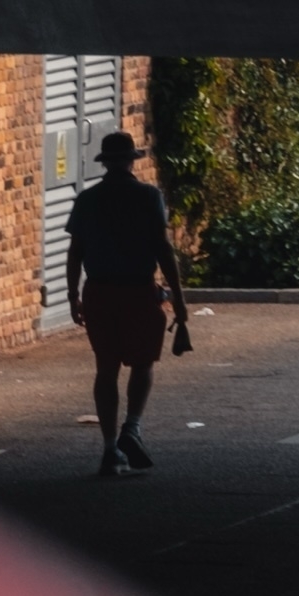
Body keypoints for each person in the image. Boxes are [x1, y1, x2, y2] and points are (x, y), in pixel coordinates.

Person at [65, 130, 188, 476]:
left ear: (105, 163)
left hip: (100, 292)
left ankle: (108, 448)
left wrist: (73, 295)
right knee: (143, 362)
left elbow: (76, 252)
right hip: (139, 291)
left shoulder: (87, 200)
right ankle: (131, 428)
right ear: (132, 161)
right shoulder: (148, 197)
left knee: (106, 368)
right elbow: (163, 249)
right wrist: (179, 299)